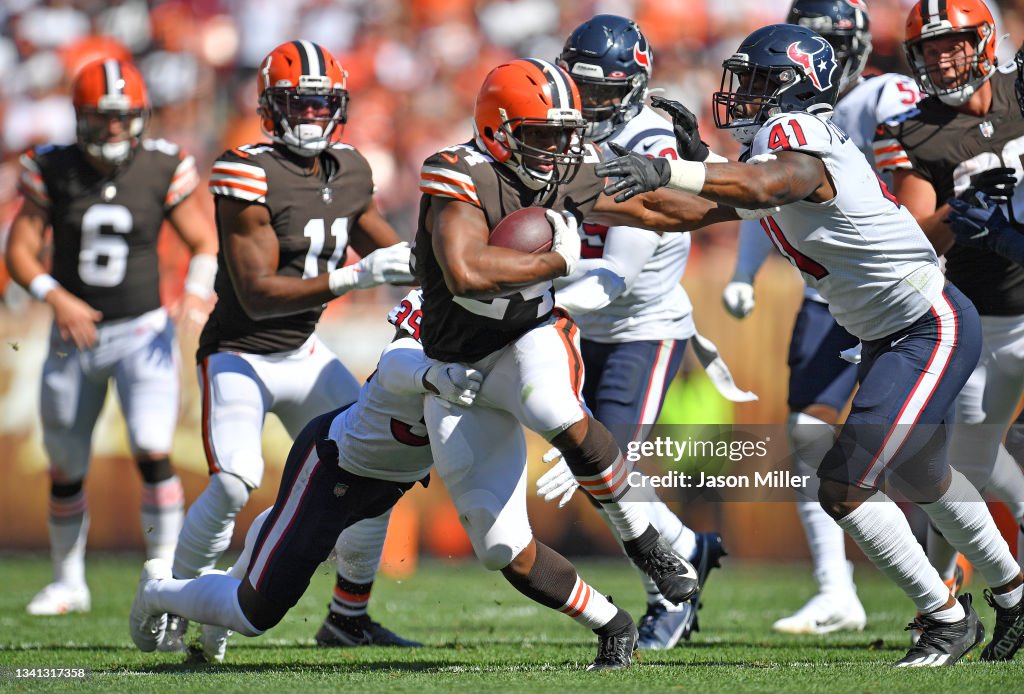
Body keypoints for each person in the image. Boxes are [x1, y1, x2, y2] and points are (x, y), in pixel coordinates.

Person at [596, 23, 1024, 666]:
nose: (740, 95)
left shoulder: (794, 137)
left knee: (844, 486)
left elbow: (771, 185)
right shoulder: (772, 152)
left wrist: (671, 165)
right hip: (892, 330)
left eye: (758, 82)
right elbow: (677, 213)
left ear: (793, 86)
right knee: (926, 474)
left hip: (925, 323)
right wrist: (584, 197)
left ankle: (945, 618)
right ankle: (1015, 599)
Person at [412, 56, 765, 669]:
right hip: (454, 367)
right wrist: (556, 262)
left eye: (561, 135)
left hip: (527, 335)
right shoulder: (457, 172)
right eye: (540, 136)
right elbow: (466, 274)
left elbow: (659, 212)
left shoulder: (564, 168)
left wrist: (747, 190)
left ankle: (649, 544)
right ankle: (612, 622)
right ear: (497, 129)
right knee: (498, 546)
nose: (555, 151)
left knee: (554, 405)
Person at [130, 291, 646, 671]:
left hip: (392, 483)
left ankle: (612, 624)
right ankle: (159, 591)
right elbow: (397, 360)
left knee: (503, 544)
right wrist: (433, 374)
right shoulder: (437, 304)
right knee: (253, 612)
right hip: (338, 469)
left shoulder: (516, 314)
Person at [169, 40, 416, 651]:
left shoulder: (351, 168)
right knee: (233, 482)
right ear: (270, 108)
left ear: (338, 107)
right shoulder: (245, 170)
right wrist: (350, 279)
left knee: (378, 461)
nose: (309, 117)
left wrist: (467, 258)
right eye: (297, 105)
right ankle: (178, 599)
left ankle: (347, 618)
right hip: (239, 351)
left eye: (319, 105)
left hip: (303, 353)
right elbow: (255, 294)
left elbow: (394, 254)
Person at [721, 0, 926, 635]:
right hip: (829, 298)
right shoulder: (778, 132)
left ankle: (955, 588)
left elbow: (913, 199)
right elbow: (768, 202)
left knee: (931, 451)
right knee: (809, 435)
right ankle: (837, 588)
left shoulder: (880, 99)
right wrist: (741, 274)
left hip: (893, 292)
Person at [533, 14, 728, 651]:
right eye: (578, 88)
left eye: (601, 93)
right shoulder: (553, 128)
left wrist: (526, 302)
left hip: (638, 326)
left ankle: (668, 592)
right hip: (574, 319)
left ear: (634, 88)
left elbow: (615, 275)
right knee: (603, 474)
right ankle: (689, 552)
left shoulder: (649, 143)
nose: (586, 107)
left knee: (612, 472)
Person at [6, 57, 217, 619]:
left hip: (142, 331)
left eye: (125, 117)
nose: (117, 129)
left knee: (153, 449)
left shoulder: (163, 166)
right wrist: (57, 296)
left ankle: (165, 578)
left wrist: (195, 294)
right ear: (81, 118)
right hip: (72, 334)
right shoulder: (51, 167)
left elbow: (203, 242)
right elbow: (20, 252)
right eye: (104, 118)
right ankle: (68, 581)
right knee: (66, 465)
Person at [874, 0, 1024, 620]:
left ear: (985, 41)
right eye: (931, 49)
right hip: (983, 321)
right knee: (963, 472)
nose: (944, 58)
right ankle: (944, 604)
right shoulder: (914, 130)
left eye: (955, 44)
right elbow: (915, 232)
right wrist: (961, 216)